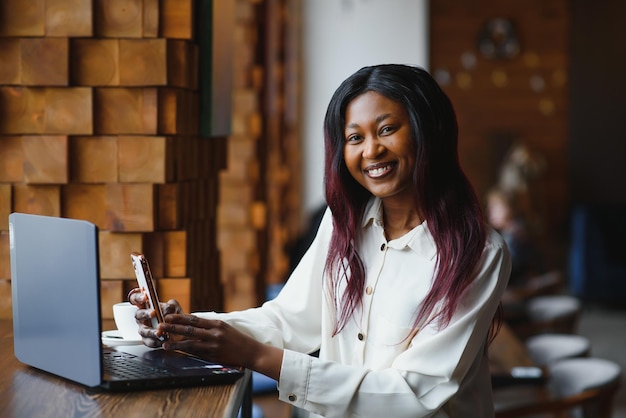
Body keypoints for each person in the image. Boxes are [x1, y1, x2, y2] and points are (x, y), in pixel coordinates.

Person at [130, 64, 511, 418]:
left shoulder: (479, 253)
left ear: (428, 129)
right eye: (354, 138)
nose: (371, 150)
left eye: (387, 129)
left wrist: (255, 355)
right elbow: (289, 319)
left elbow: (410, 396)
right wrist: (187, 328)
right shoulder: (343, 223)